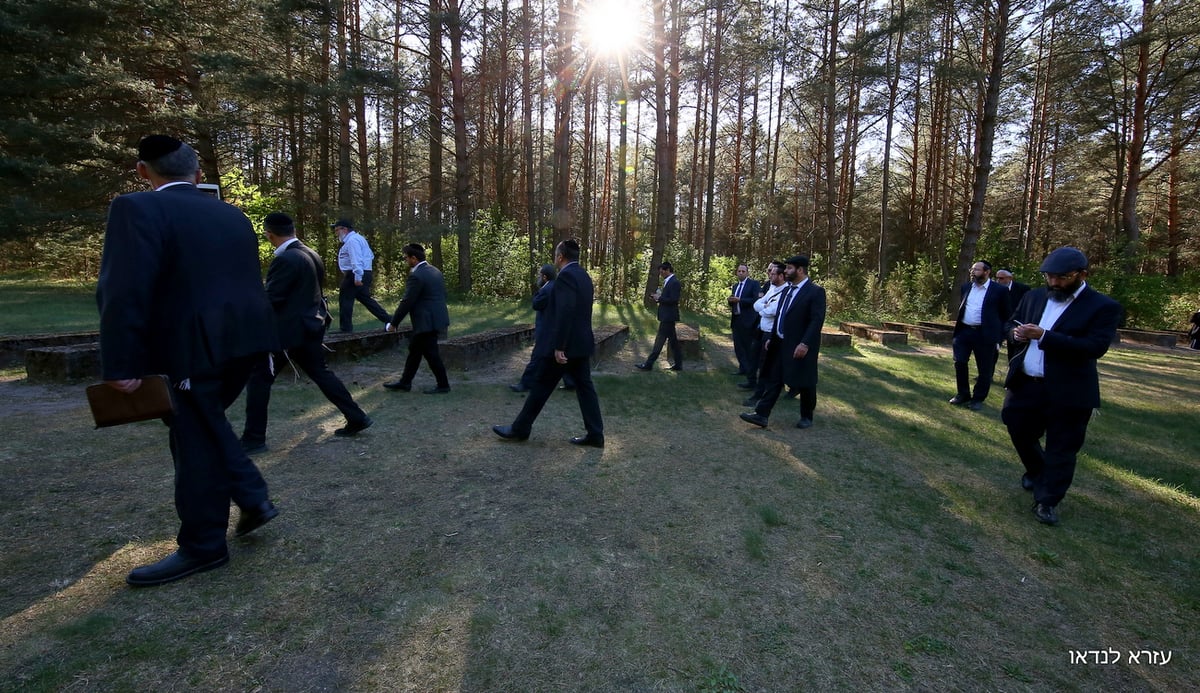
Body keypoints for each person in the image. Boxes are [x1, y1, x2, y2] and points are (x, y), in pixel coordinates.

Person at [97, 135, 279, 587]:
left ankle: (208, 541)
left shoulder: (136, 208)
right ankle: (242, 504)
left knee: (195, 436)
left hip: (190, 349)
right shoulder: (232, 214)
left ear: (143, 171)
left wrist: (121, 362)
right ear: (198, 174)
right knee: (199, 427)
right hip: (247, 343)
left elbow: (124, 289)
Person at [1003, 247, 1122, 525]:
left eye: (1062, 278)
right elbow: (1010, 323)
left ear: (1082, 274)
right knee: (1017, 427)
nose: (1054, 283)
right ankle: (1037, 470)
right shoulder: (1033, 296)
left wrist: (1045, 336)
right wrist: (1015, 333)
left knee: (1062, 447)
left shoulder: (1102, 306)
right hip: (1026, 383)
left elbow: (1094, 347)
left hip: (1069, 391)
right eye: (1049, 277)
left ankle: (1047, 501)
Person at [240, 213, 373, 454]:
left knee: (259, 379)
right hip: (311, 325)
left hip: (287, 332)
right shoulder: (311, 253)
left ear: (270, 234)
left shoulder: (287, 259)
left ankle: (254, 438)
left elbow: (273, 299)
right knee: (321, 373)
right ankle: (356, 416)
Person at [493, 239, 605, 447]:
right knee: (585, 388)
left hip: (567, 347)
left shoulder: (566, 276)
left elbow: (565, 312)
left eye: (556, 253)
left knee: (542, 386)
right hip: (581, 343)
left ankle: (520, 429)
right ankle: (596, 434)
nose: (555, 257)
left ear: (560, 256)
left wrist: (560, 346)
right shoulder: (584, 276)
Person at [740, 255, 826, 429]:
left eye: (789, 268)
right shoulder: (787, 290)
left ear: (800, 270)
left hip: (800, 345)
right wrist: (772, 337)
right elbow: (779, 316)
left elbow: (816, 321)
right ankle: (761, 415)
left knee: (805, 381)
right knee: (774, 379)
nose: (784, 271)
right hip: (780, 342)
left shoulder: (815, 292)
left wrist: (805, 344)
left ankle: (806, 416)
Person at [383, 243, 451, 394]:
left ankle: (443, 385)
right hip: (436, 318)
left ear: (414, 258)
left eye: (406, 258)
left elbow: (407, 302)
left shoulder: (417, 276)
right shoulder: (435, 271)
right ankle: (405, 382)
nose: (406, 260)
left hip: (425, 321)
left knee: (431, 354)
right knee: (415, 351)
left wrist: (393, 323)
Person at [949, 260, 1012, 411]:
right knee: (960, 362)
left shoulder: (999, 290)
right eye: (972, 269)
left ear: (986, 272)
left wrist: (1000, 336)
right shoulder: (966, 287)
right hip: (964, 332)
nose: (972, 271)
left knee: (985, 369)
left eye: (976, 269)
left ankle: (978, 399)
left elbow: (1006, 315)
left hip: (985, 335)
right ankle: (962, 394)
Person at [511, 263, 574, 393]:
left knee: (537, 357)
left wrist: (537, 292)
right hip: (558, 329)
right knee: (560, 358)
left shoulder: (545, 290)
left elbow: (536, 304)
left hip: (546, 330)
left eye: (540, 275)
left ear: (544, 277)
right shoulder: (560, 287)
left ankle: (525, 384)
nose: (539, 278)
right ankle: (571, 382)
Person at [333, 218, 391, 332]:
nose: (336, 233)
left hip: (355, 274)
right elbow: (370, 255)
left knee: (345, 299)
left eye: (337, 230)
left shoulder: (352, 241)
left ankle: (345, 328)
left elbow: (356, 259)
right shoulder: (360, 239)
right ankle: (389, 320)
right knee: (366, 299)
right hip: (365, 272)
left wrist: (358, 276)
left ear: (344, 229)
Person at [743, 260, 788, 407]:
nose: (770, 276)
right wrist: (764, 307)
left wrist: (764, 308)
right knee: (754, 356)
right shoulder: (772, 288)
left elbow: (772, 311)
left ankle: (760, 395)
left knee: (765, 365)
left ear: (781, 276)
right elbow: (757, 304)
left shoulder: (786, 291)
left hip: (771, 332)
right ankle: (754, 385)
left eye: (773, 273)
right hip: (761, 329)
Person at [635, 261, 683, 371]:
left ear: (668, 270)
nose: (661, 274)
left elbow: (674, 300)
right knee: (673, 343)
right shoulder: (668, 281)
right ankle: (678, 364)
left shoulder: (674, 282)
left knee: (659, 342)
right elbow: (668, 298)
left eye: (662, 271)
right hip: (667, 316)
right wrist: (658, 297)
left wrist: (659, 298)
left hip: (668, 317)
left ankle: (648, 364)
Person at [728, 263, 761, 388]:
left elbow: (755, 300)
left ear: (747, 273)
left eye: (743, 271)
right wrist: (731, 301)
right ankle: (742, 368)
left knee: (748, 346)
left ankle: (750, 370)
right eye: (739, 271)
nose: (741, 273)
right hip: (736, 319)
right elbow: (734, 302)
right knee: (738, 345)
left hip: (748, 320)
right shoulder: (735, 286)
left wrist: (740, 300)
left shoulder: (753, 284)